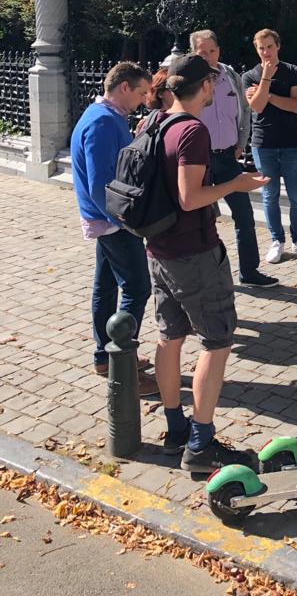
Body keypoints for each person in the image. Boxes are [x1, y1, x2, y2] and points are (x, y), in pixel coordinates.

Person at [147, 54, 270, 471]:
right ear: (202, 87)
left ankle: (175, 427)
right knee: (216, 342)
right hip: (193, 253)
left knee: (170, 337)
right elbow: (190, 197)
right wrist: (235, 183)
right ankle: (201, 444)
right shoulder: (192, 130)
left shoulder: (155, 121)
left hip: (159, 250)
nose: (216, 89)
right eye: (213, 83)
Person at [70, 61, 158, 396]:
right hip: (112, 222)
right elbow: (99, 183)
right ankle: (122, 367)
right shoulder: (104, 122)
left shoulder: (104, 117)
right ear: (123, 88)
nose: (141, 100)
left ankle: (105, 358)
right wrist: (123, 220)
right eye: (139, 93)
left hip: (106, 220)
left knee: (105, 288)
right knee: (137, 288)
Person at [190, 29, 277, 289]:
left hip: (227, 157)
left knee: (244, 215)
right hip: (198, 160)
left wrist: (241, 143)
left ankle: (249, 272)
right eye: (201, 52)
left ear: (219, 50)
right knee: (200, 221)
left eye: (211, 51)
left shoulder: (230, 76)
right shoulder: (187, 80)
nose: (207, 57)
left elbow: (245, 112)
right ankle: (200, 278)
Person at [243, 29, 297, 264]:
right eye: (261, 47)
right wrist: (265, 78)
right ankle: (277, 240)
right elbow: (257, 107)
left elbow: (295, 105)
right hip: (263, 144)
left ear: (278, 46)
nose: (266, 51)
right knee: (270, 195)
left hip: (291, 144)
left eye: (269, 46)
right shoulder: (250, 75)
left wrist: (268, 94)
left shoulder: (293, 72)